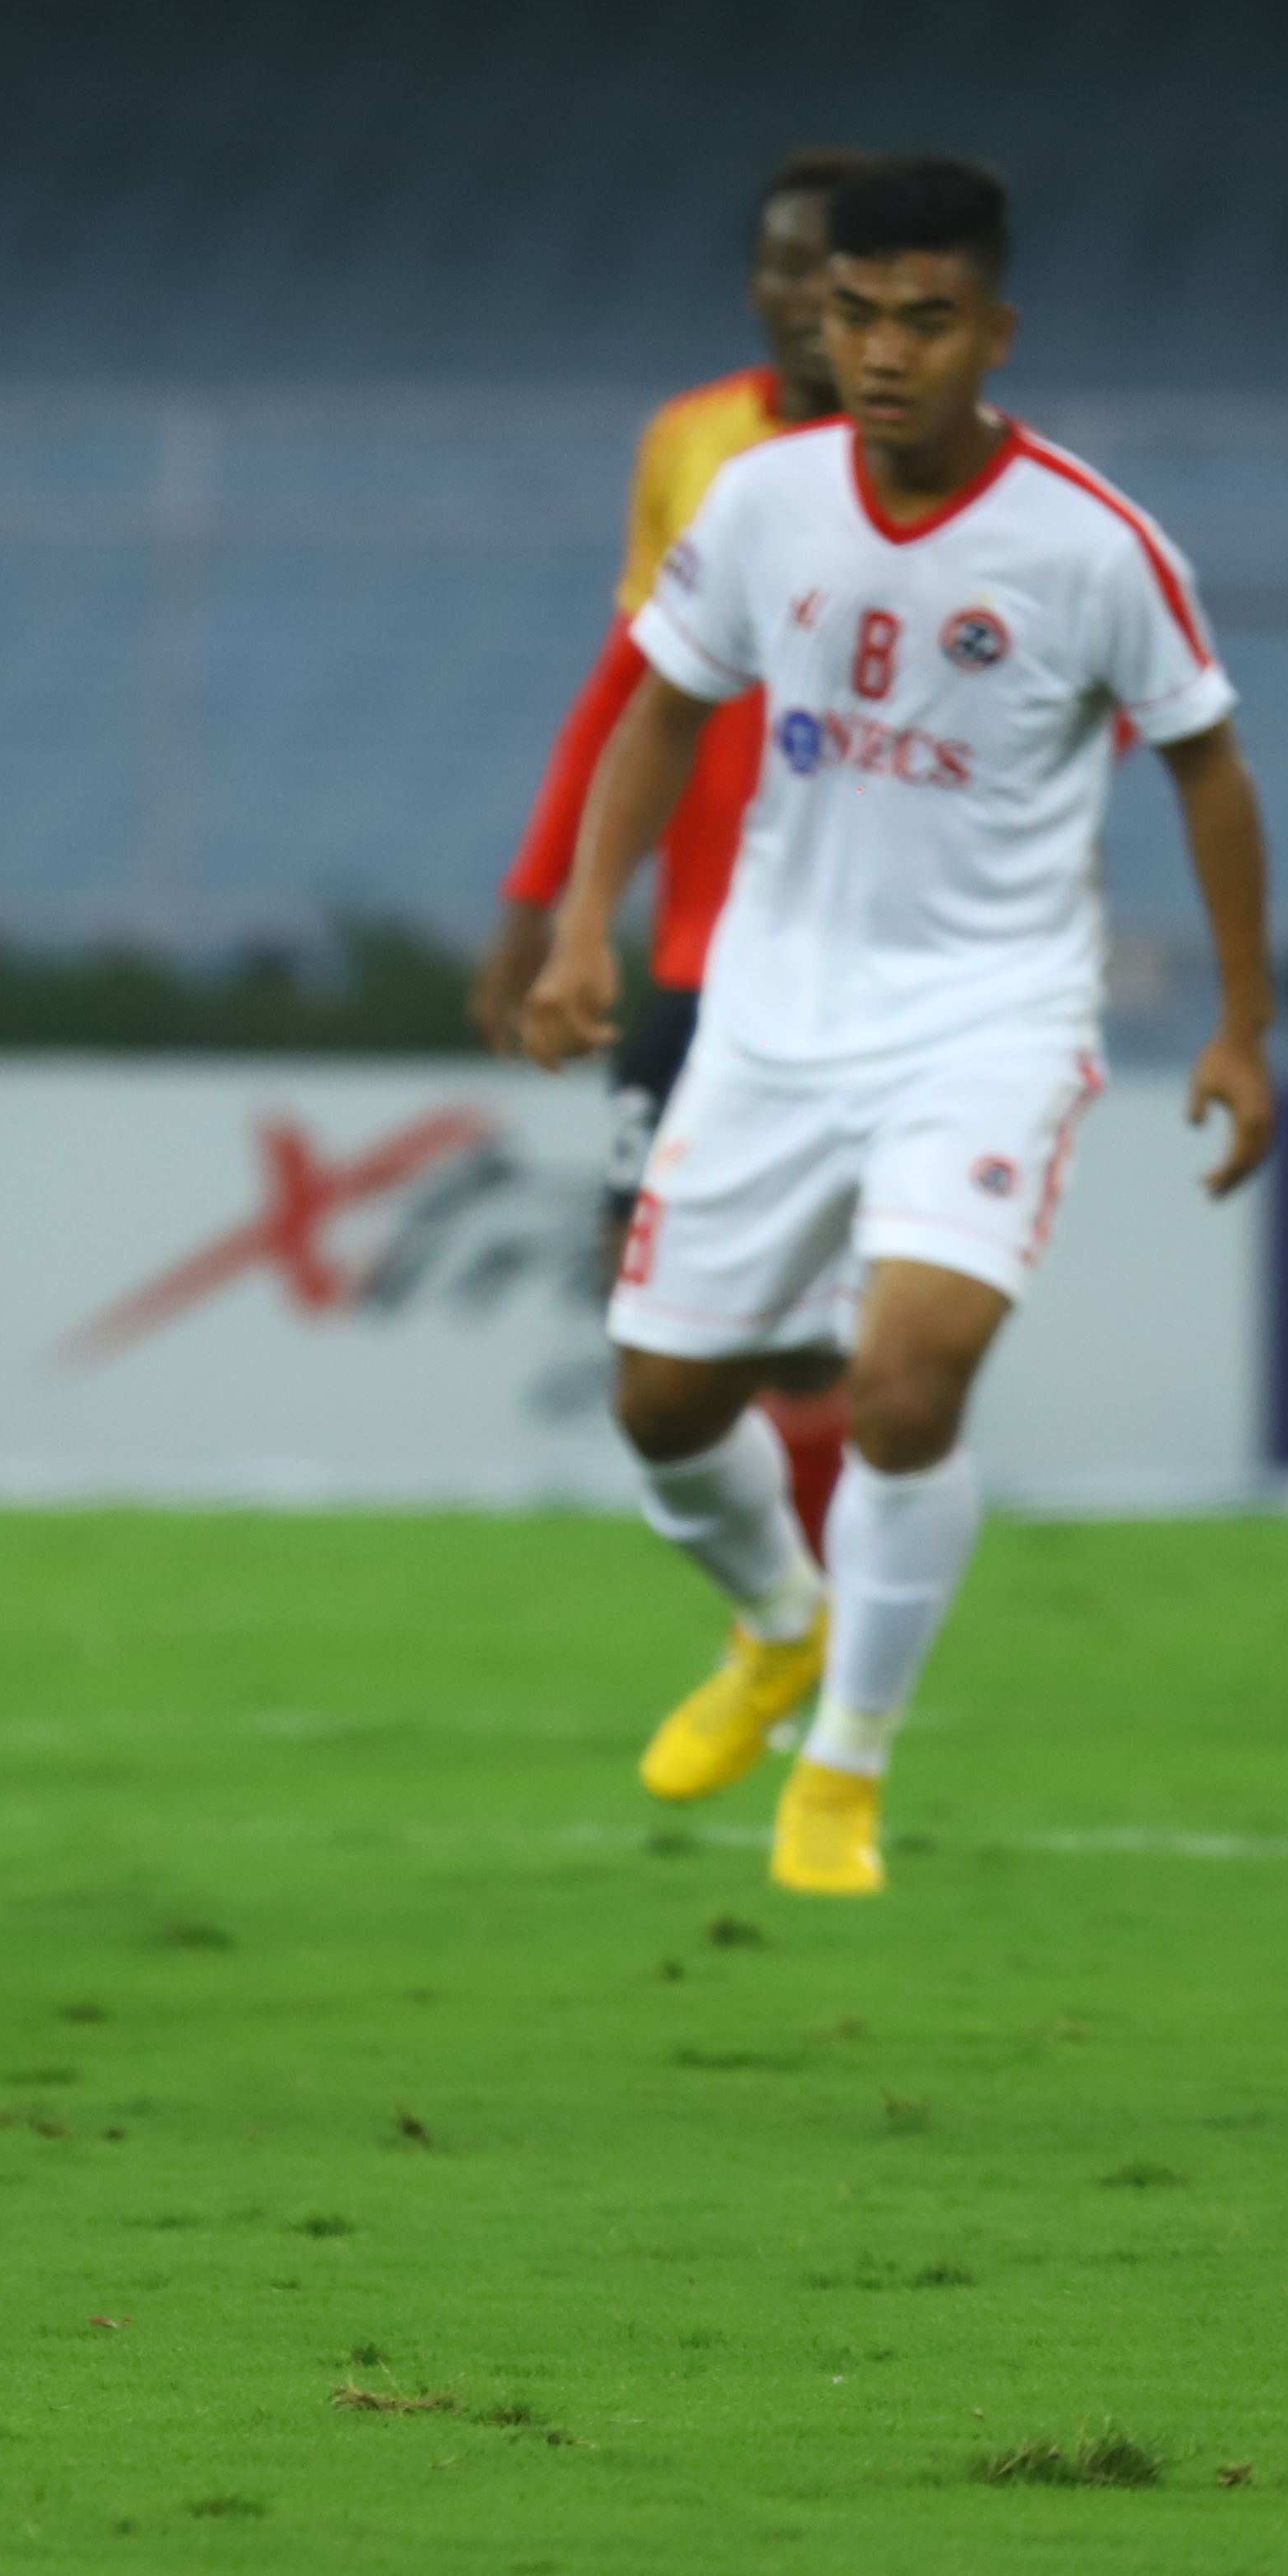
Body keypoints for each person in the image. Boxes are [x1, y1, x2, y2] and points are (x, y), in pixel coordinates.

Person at [520, 153, 1276, 1896]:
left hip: (990, 1021)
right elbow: (656, 707)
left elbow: (1209, 767)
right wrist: (581, 929)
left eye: (926, 322)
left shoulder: (1095, 543)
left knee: (904, 1384)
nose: (882, 352)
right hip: (774, 1019)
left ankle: (843, 1766)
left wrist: (1241, 1025)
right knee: (659, 1404)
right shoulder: (766, 502)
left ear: (992, 336)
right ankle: (775, 1625)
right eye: (857, 315)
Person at [471, 152, 871, 1777]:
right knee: (669, 1334)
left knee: (822, 1344)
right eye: (780, 266)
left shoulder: (940, 481)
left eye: (832, 273)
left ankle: (825, 1653)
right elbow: (633, 686)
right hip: (699, 958)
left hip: (851, 971)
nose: (800, 296)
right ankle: (794, 1616)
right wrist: (543, 897)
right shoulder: (692, 443)